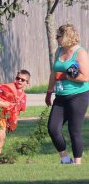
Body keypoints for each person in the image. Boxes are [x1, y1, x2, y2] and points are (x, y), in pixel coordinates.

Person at [45, 24, 89, 164]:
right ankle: (65, 158)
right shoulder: (59, 51)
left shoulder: (80, 53)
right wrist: (49, 91)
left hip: (78, 96)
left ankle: (77, 163)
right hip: (60, 97)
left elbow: (85, 77)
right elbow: (54, 73)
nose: (56, 38)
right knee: (53, 128)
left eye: (58, 36)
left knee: (74, 130)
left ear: (65, 37)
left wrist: (65, 76)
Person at [0, 69, 30, 162]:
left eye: (22, 80)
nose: (19, 81)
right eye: (18, 78)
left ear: (27, 82)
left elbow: (16, 111)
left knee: (0, 137)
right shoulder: (8, 88)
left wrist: (11, 122)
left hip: (3, 118)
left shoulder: (23, 97)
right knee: (0, 136)